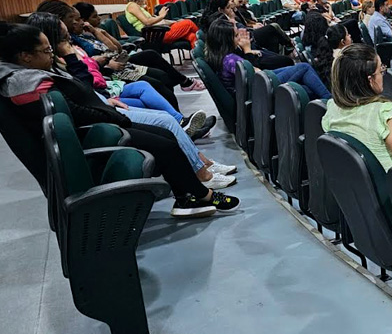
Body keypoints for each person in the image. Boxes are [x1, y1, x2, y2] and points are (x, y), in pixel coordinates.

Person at [0, 23, 239, 217]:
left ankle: (188, 196)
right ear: (25, 57)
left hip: (98, 124)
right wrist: (112, 115)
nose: (52, 54)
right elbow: (73, 113)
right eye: (46, 51)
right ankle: (200, 195)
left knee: (165, 134)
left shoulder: (29, 73)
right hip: (92, 134)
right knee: (164, 142)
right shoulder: (25, 84)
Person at [27, 12, 211, 138]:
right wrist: (104, 66)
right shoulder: (62, 58)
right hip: (108, 81)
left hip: (110, 75)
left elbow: (116, 48)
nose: (79, 22)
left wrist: (97, 31)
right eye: (73, 20)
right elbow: (86, 85)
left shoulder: (81, 39)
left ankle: (182, 123)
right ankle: (181, 123)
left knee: (157, 79)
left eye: (79, 19)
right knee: (156, 80)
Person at [322, 43, 392, 171]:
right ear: (370, 80)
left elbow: (365, 145)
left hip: (356, 187)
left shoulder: (332, 108)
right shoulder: (384, 114)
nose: (383, 74)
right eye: (381, 70)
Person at [69, 1, 206, 92]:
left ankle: (192, 73)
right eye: (95, 17)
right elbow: (106, 56)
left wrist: (101, 33)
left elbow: (118, 49)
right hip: (115, 70)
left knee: (190, 37)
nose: (99, 19)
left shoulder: (88, 34)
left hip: (121, 60)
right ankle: (191, 74)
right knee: (187, 25)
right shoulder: (78, 41)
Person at [205, 18, 330, 100]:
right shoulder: (230, 60)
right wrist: (248, 50)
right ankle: (330, 100)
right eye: (236, 35)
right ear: (226, 40)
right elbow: (257, 73)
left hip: (258, 86)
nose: (239, 38)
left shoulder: (219, 55)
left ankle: (327, 101)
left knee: (308, 88)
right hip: (260, 90)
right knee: (304, 67)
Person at [124, 0, 200, 48]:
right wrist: (161, 16)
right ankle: (207, 43)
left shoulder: (138, 7)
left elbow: (154, 20)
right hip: (156, 34)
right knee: (188, 23)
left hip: (158, 30)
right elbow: (147, 22)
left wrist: (174, 22)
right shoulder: (132, 5)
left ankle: (202, 57)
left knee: (192, 36)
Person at [312, 23, 351, 89]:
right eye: (347, 35)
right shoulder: (344, 58)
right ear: (342, 42)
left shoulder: (328, 55)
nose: (350, 36)